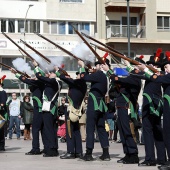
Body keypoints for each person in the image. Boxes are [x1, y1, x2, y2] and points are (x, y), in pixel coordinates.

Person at [102, 59, 142, 164]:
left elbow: (117, 79)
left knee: (127, 132)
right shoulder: (131, 78)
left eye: (134, 68)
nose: (131, 69)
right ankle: (127, 154)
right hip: (120, 108)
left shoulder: (135, 79)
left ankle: (133, 154)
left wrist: (108, 70)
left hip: (126, 108)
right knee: (123, 133)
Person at [137, 51, 170, 170]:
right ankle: (162, 158)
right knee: (159, 131)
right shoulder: (159, 76)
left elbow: (146, 76)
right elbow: (137, 73)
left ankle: (150, 158)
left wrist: (145, 69)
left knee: (149, 130)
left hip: (151, 105)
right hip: (158, 106)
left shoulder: (158, 77)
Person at [78, 59, 110, 161]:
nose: (95, 67)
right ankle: (106, 153)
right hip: (100, 105)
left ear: (101, 66)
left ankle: (88, 153)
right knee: (101, 128)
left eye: (97, 66)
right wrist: (88, 69)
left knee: (90, 129)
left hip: (94, 105)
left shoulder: (99, 74)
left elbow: (84, 78)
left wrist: (82, 66)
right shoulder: (104, 76)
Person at [10, 68, 46, 155]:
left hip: (39, 109)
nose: (34, 77)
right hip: (40, 109)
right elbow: (31, 87)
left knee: (35, 129)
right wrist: (26, 76)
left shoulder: (39, 82)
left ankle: (35, 149)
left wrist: (17, 74)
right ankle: (46, 147)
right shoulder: (39, 83)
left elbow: (27, 81)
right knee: (42, 130)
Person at [55, 69, 87, 159]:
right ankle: (78, 152)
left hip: (71, 110)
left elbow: (62, 77)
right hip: (76, 110)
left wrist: (58, 71)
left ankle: (70, 152)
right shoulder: (80, 84)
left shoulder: (79, 83)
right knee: (76, 131)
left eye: (78, 75)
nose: (76, 76)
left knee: (69, 132)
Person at [33, 60, 62, 157]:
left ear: (56, 74)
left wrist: (36, 67)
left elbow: (39, 77)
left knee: (48, 130)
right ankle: (54, 148)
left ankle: (50, 150)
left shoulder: (54, 81)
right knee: (52, 130)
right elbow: (43, 77)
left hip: (49, 109)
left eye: (52, 72)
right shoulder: (55, 82)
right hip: (52, 109)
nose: (50, 74)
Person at [0, 75, 7, 151]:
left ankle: (1, 146)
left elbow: (2, 104)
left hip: (0, 114)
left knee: (1, 130)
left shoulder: (2, 92)